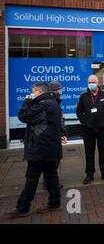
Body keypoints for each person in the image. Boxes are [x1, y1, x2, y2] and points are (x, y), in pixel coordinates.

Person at [8, 82, 62, 217]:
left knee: (32, 178)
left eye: (33, 92)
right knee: (51, 176)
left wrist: (27, 100)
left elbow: (23, 115)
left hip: (40, 149)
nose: (31, 94)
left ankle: (23, 207)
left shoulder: (44, 105)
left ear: (39, 92)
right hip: (50, 148)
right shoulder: (53, 102)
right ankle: (55, 202)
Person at [76, 75, 104, 185]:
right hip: (88, 129)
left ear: (97, 83)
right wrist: (84, 122)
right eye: (89, 82)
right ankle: (89, 174)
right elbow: (79, 111)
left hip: (102, 128)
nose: (91, 83)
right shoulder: (83, 96)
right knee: (89, 152)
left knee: (103, 151)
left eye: (93, 82)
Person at [46, 81, 67, 190]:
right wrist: (60, 132)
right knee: (53, 160)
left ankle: (49, 182)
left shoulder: (54, 101)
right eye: (59, 89)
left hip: (55, 134)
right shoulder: (51, 102)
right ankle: (51, 183)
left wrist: (62, 132)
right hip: (53, 136)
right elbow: (55, 120)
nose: (61, 91)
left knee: (53, 160)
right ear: (54, 90)